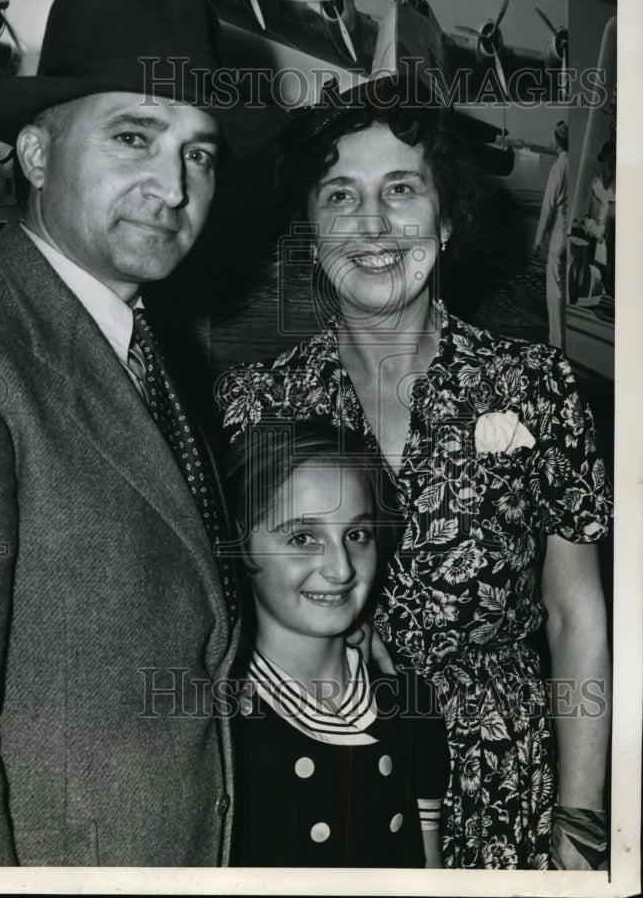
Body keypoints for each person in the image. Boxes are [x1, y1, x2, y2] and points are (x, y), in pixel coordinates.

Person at [0, 0, 275, 867]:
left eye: (200, 153)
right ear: (35, 155)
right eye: (134, 136)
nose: (172, 184)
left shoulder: (148, 344)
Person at [216, 82, 611, 870]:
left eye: (400, 189)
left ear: (449, 215)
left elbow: (574, 618)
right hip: (329, 779)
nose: (371, 225)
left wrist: (580, 814)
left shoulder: (535, 387)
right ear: (310, 231)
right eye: (340, 195)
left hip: (508, 783)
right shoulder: (255, 403)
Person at [225, 423, 449, 868]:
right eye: (302, 538)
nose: (341, 568)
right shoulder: (222, 723)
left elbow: (430, 873)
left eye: (356, 535)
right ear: (239, 544)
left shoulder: (409, 702)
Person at [533, 120, 569, 348]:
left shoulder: (558, 167)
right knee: (565, 289)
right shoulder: (573, 165)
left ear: (557, 142)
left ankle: (556, 343)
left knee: (554, 292)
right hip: (570, 233)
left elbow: (548, 207)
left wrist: (538, 240)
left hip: (557, 235)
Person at [581, 140, 615, 290]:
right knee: (591, 289)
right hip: (592, 249)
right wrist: (594, 229)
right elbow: (584, 216)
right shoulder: (595, 184)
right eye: (609, 158)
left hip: (612, 255)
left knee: (609, 291)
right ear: (603, 160)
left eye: (615, 159)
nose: (612, 163)